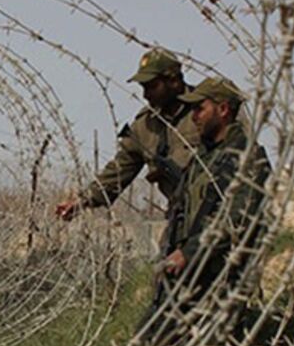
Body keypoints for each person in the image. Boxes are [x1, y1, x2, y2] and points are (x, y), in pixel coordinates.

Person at [134, 75, 271, 346]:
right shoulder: (204, 157)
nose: (193, 116)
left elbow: (235, 218)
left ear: (223, 110)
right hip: (185, 278)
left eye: (200, 108)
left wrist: (190, 252)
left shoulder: (246, 157)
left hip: (221, 277)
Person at [55, 48, 200, 220]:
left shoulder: (205, 109)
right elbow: (120, 169)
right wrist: (83, 201)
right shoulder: (144, 125)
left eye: (152, 87)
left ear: (174, 81)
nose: (146, 95)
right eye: (143, 88)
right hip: (182, 216)